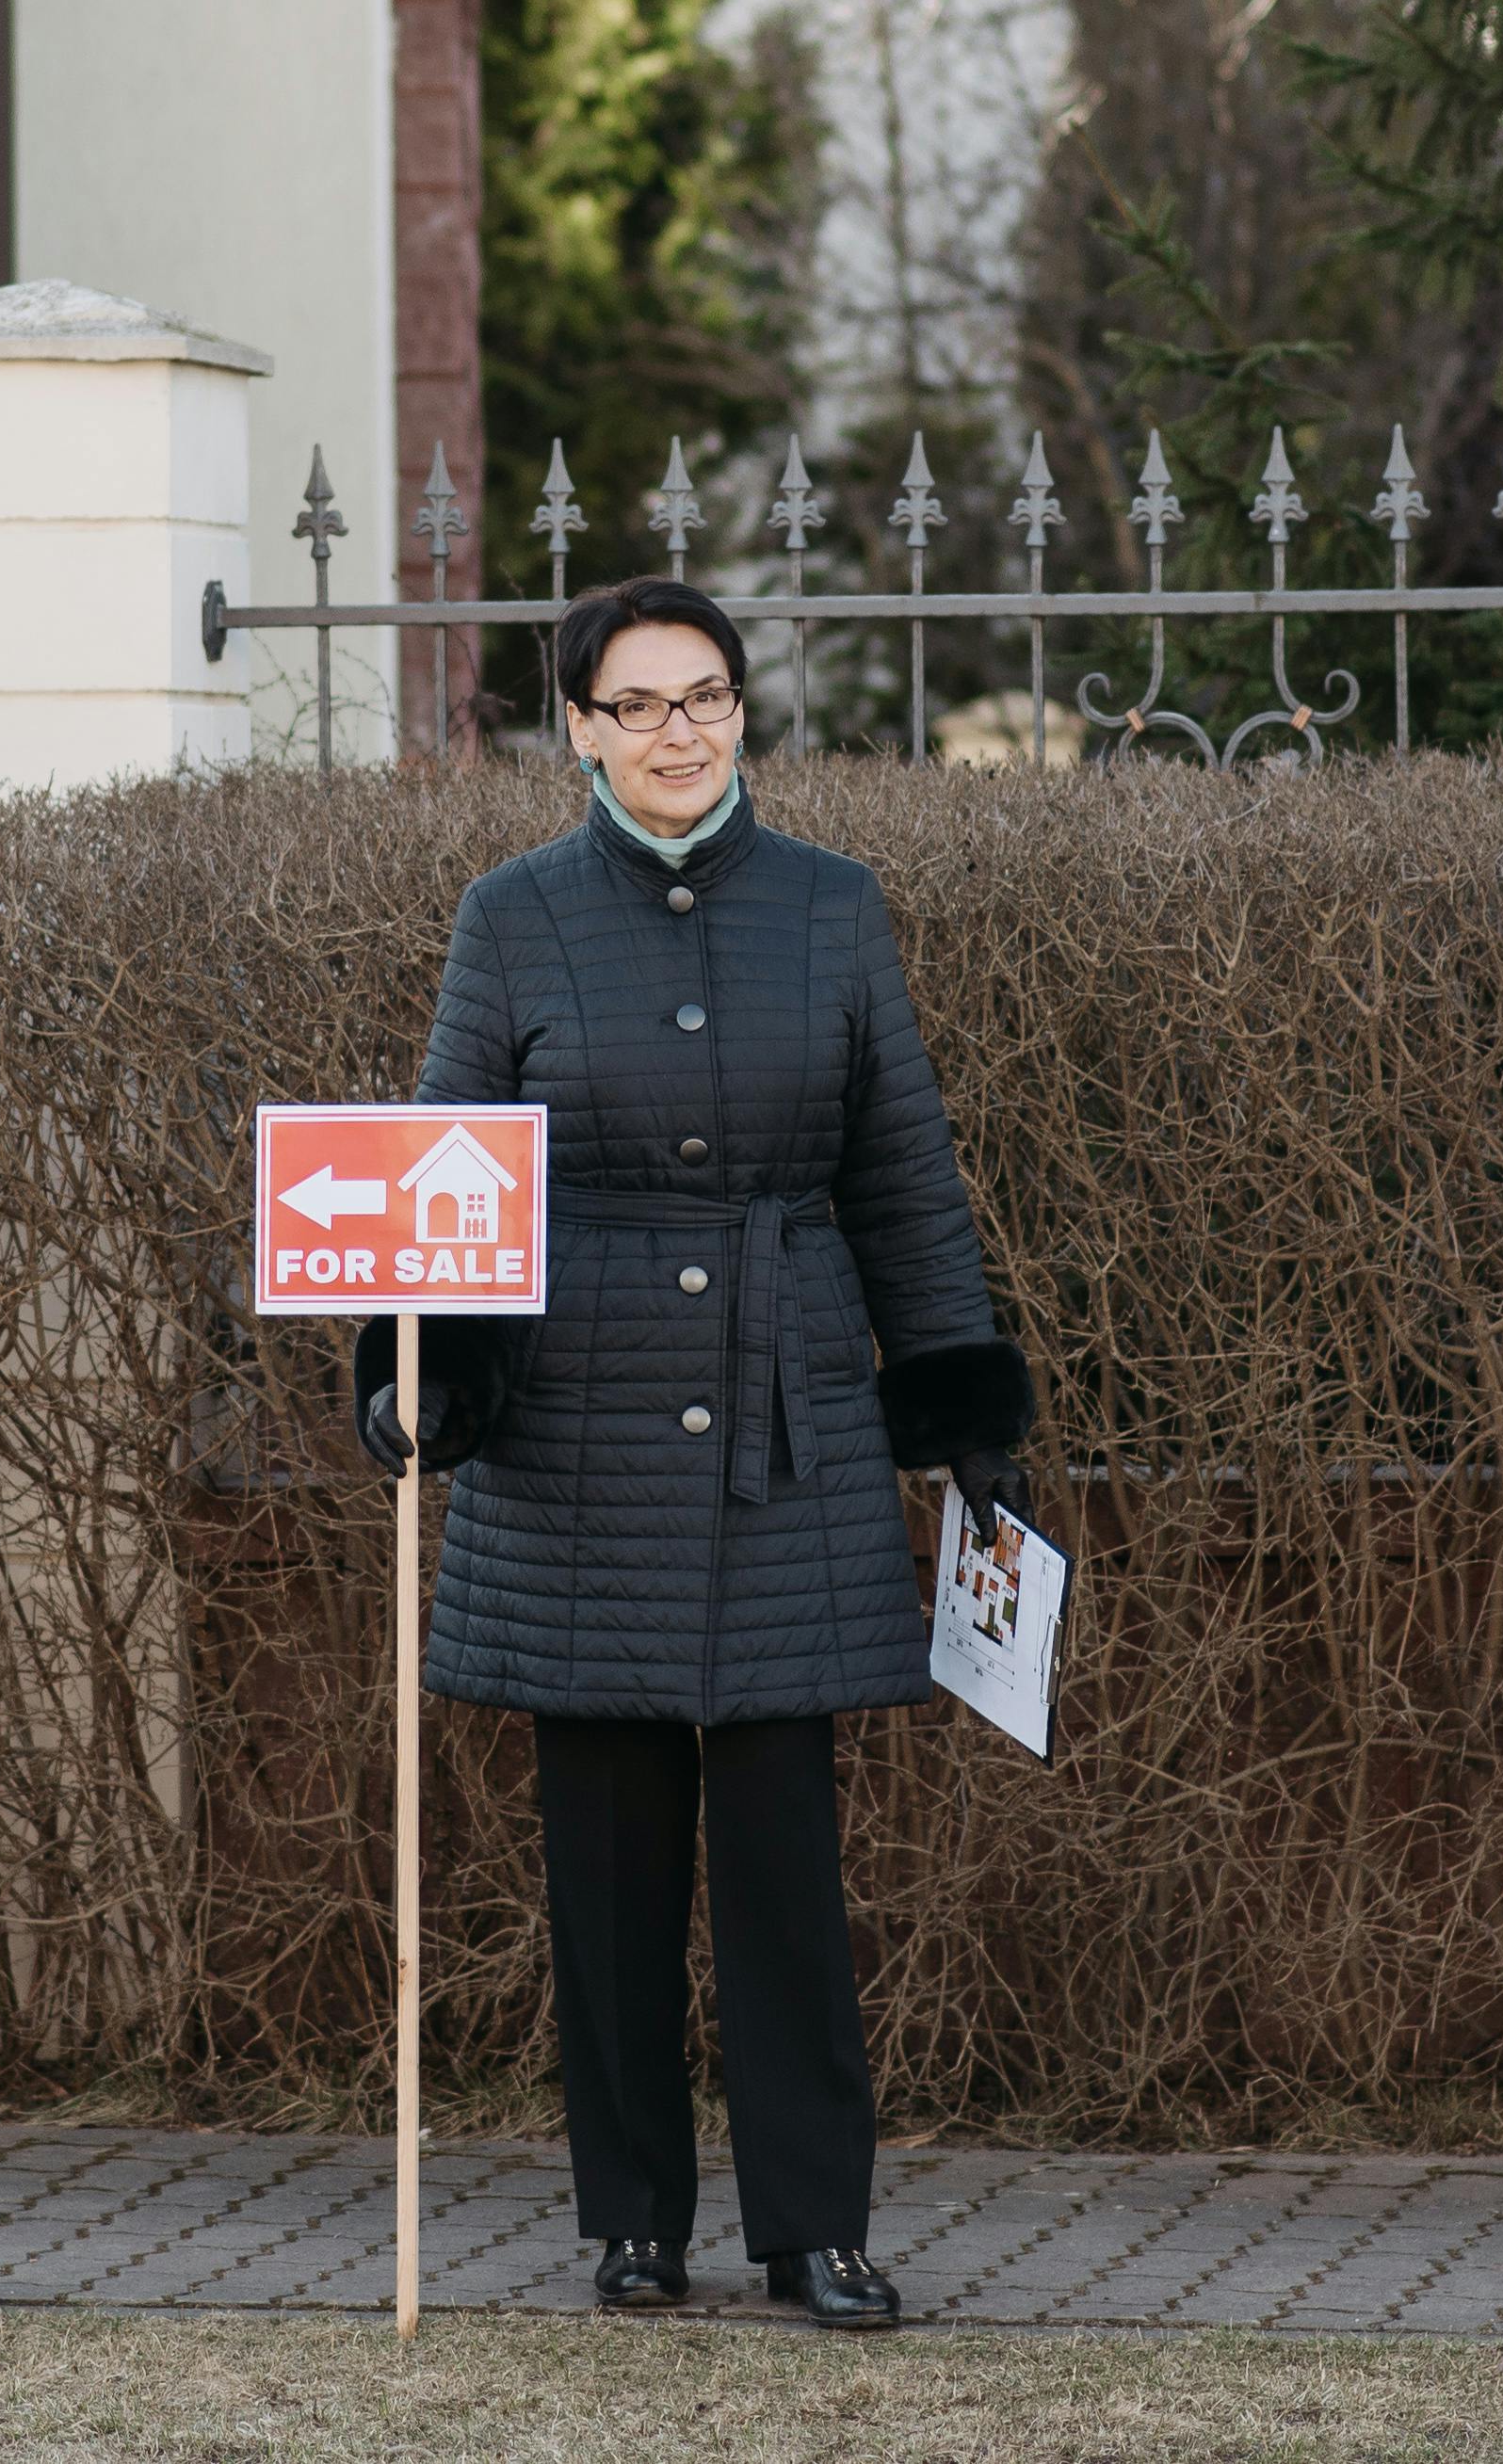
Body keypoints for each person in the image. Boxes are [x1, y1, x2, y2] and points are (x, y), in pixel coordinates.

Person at [352, 573, 1036, 2331]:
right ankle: (633, 2218)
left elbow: (902, 1173)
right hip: (577, 1436)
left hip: (786, 1420)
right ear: (576, 727)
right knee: (609, 1870)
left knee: (791, 1879)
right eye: (640, 704)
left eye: (708, 697)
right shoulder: (510, 918)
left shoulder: (835, 908)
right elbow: (456, 1169)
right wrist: (420, 1378)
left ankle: (815, 2225)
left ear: (743, 709)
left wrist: (958, 1413)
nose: (680, 732)